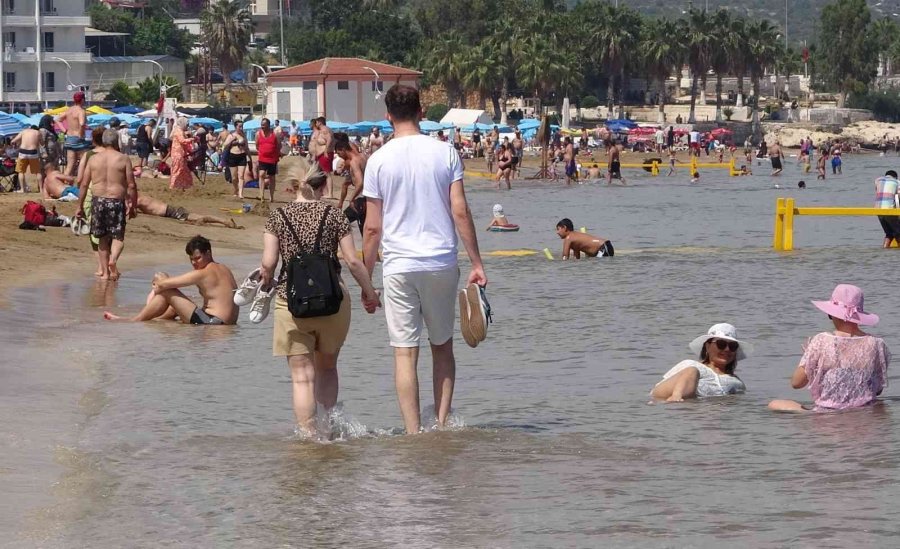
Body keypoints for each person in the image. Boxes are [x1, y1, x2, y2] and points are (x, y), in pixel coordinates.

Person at [362, 84, 487, 434]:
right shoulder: (445, 152)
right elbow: (459, 210)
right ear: (421, 112)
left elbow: (372, 228)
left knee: (404, 353)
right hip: (440, 261)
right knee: (442, 347)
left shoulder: (378, 160)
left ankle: (413, 433)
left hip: (399, 265)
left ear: (388, 116)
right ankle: (441, 427)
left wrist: (366, 281)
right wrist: (477, 263)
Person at [259, 163, 380, 438]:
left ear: (292, 187)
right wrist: (370, 293)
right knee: (327, 368)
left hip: (291, 302)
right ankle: (328, 433)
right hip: (332, 300)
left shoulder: (277, 217)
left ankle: (309, 437)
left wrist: (264, 281)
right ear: (323, 186)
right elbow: (352, 261)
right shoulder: (334, 214)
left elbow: (268, 263)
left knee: (301, 377)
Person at [768, 285, 889, 412]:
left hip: (828, 412)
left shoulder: (821, 341)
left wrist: (810, 359)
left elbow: (796, 383)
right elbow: (878, 390)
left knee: (774, 404)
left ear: (831, 314)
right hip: (864, 411)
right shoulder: (877, 344)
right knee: (878, 404)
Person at [104, 236, 239, 325]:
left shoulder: (203, 273)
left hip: (213, 323)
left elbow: (162, 284)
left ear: (208, 253)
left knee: (166, 289)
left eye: (198, 258)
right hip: (226, 324)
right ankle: (154, 319)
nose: (194, 263)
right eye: (191, 259)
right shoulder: (224, 268)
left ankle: (135, 320)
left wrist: (157, 286)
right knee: (173, 307)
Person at [74, 130, 137, 281]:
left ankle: (105, 274)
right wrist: (132, 205)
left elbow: (84, 184)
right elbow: (131, 185)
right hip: (116, 200)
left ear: (103, 141)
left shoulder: (93, 159)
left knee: (101, 237)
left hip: (98, 201)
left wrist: (79, 206)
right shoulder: (123, 159)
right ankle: (113, 260)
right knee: (118, 237)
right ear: (116, 141)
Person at [651, 323, 753, 402]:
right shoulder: (690, 365)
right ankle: (676, 400)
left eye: (732, 346)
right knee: (692, 371)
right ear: (707, 346)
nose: (727, 350)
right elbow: (657, 390)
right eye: (721, 344)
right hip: (672, 401)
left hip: (702, 413)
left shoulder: (737, 383)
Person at [135, 194, 242, 228]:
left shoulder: (138, 199)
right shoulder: (141, 197)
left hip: (172, 212)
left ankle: (225, 221)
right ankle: (224, 221)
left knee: (200, 218)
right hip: (172, 210)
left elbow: (131, 208)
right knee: (197, 217)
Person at [58, 91, 89, 177]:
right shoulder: (81, 111)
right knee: (84, 164)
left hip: (69, 138)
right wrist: (81, 134)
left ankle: (64, 182)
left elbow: (57, 120)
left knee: (70, 166)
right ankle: (81, 182)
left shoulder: (69, 110)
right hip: (78, 139)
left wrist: (64, 131)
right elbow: (82, 124)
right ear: (82, 100)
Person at [334, 133, 366, 211]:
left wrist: (351, 199)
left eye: (339, 153)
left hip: (361, 195)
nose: (339, 156)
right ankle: (340, 204)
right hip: (367, 193)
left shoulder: (353, 161)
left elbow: (360, 183)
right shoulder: (362, 155)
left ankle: (340, 204)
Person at [255, 118, 281, 202]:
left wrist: (276, 154)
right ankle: (261, 195)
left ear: (268, 125)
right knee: (261, 174)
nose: (262, 126)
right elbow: (257, 145)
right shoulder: (258, 134)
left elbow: (279, 145)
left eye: (264, 125)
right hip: (262, 158)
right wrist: (262, 151)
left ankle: (271, 197)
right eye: (261, 125)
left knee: (272, 177)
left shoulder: (275, 134)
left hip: (273, 159)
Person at [222, 120, 249, 197]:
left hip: (242, 156)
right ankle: (235, 189)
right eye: (239, 126)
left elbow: (247, 148)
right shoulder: (231, 135)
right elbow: (225, 145)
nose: (241, 128)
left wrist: (249, 158)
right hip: (233, 156)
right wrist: (232, 140)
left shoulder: (244, 135)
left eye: (242, 126)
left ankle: (240, 193)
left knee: (241, 175)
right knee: (234, 177)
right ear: (235, 127)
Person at [11, 125, 42, 193]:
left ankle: (22, 189)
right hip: (33, 152)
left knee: (21, 171)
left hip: (23, 152)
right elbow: (42, 143)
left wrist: (16, 145)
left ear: (30, 128)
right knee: (38, 172)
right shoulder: (38, 132)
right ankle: (41, 190)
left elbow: (13, 141)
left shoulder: (23, 131)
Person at [874, 170, 900, 248]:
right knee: (898, 232)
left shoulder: (877, 180)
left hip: (878, 210)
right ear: (895, 177)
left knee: (889, 233)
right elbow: (899, 196)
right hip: (889, 210)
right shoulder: (897, 182)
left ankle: (885, 249)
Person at [169, 117, 194, 191]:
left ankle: (184, 186)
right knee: (177, 170)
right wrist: (192, 139)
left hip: (181, 153)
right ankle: (173, 186)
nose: (187, 126)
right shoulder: (178, 131)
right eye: (187, 124)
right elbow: (182, 141)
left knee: (184, 171)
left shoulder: (179, 130)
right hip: (178, 154)